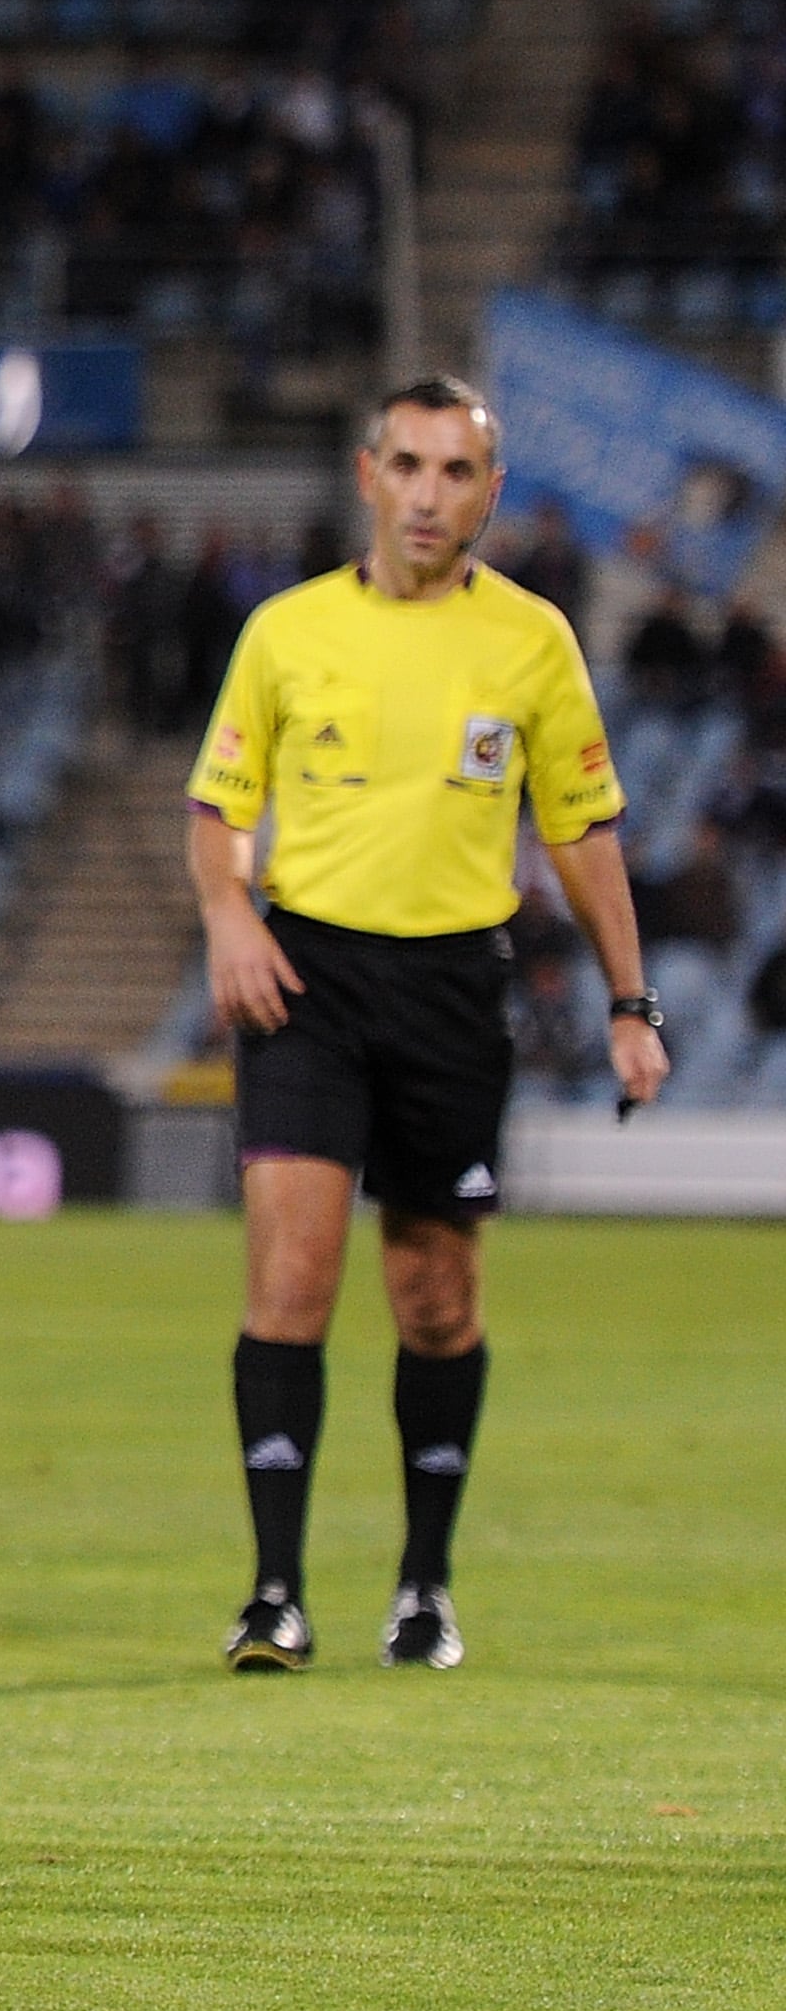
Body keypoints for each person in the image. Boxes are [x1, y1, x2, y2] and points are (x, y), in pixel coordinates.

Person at [187, 377, 667, 1673]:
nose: (428, 494)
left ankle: (423, 1585)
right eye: (409, 465)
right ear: (368, 473)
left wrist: (632, 1004)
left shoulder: (533, 641)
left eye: (457, 472)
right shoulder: (288, 633)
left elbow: (581, 831)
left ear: (491, 491)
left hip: (456, 985)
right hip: (310, 980)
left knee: (435, 1299)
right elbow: (218, 806)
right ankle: (273, 1591)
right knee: (289, 1277)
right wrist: (230, 914)